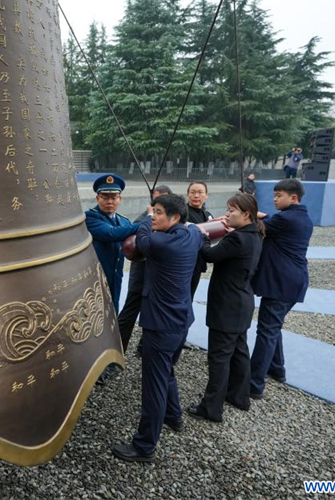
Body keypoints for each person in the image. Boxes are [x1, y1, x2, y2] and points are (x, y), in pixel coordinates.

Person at [112, 194, 204, 462]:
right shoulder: (191, 236)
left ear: (175, 218)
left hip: (160, 326)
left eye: (159, 212)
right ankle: (174, 417)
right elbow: (200, 232)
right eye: (154, 211)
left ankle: (144, 446)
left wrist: (144, 216)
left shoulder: (161, 243)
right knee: (167, 373)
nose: (154, 216)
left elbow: (142, 236)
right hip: (181, 322)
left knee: (153, 387)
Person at [187, 193, 264, 423]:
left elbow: (209, 255)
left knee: (219, 358)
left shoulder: (236, 239)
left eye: (232, 211)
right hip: (242, 303)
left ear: (246, 214)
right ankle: (240, 397)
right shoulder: (255, 234)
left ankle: (211, 408)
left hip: (227, 306)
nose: (227, 214)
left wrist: (200, 234)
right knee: (239, 352)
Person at [249, 179, 313, 399]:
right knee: (272, 327)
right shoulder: (301, 216)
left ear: (293, 198)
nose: (274, 199)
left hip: (281, 284)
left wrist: (247, 210)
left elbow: (255, 224)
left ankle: (253, 383)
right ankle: (277, 368)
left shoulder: (284, 219)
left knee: (266, 331)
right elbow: (265, 219)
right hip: (292, 282)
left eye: (278, 196)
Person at [117, 184, 173, 355]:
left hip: (159, 277)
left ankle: (145, 348)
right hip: (141, 275)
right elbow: (136, 238)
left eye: (164, 198)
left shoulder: (172, 221)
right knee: (129, 312)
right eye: (157, 198)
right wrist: (150, 217)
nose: (160, 202)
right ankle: (117, 351)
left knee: (154, 315)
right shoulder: (145, 218)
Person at [85, 174, 138, 313]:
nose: (110, 201)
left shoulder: (124, 221)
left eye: (114, 198)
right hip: (96, 276)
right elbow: (111, 233)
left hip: (116, 275)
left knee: (113, 307)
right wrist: (144, 224)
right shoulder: (90, 217)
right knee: (95, 312)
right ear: (97, 198)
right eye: (105, 197)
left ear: (119, 199)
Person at [186, 182, 213, 300]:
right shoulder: (182, 213)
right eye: (193, 192)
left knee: (190, 297)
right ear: (188, 195)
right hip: (185, 262)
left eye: (200, 192)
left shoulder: (208, 215)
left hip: (198, 262)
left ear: (206, 195)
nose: (196, 196)